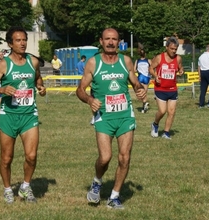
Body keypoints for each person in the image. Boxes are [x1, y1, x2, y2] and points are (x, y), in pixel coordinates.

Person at [76, 28, 146, 209]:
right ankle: (97, 181)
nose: (110, 42)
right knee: (105, 157)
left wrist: (139, 88)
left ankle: (114, 196)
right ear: (101, 41)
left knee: (124, 158)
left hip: (125, 115)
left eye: (114, 39)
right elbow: (80, 90)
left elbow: (135, 81)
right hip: (104, 116)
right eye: (107, 39)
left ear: (119, 42)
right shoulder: (93, 63)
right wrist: (90, 100)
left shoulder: (126, 61)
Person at [0, 26, 46, 204]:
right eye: (18, 40)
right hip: (8, 115)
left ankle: (25, 187)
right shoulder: (4, 64)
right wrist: (2, 89)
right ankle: (7, 189)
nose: (22, 43)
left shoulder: (33, 62)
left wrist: (41, 88)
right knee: (6, 158)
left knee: (31, 156)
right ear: (10, 44)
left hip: (29, 115)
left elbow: (38, 79)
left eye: (24, 40)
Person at [149, 36, 184, 139]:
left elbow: (180, 68)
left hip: (172, 89)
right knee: (162, 111)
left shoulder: (178, 58)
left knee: (172, 111)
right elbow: (151, 68)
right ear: (166, 47)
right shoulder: (159, 57)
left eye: (175, 49)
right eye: (171, 48)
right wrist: (155, 76)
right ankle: (155, 124)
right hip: (160, 88)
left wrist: (181, 71)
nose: (173, 51)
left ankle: (166, 132)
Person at [134, 48, 152, 113]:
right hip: (147, 77)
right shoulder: (148, 60)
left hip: (140, 76)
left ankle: (144, 104)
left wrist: (139, 70)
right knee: (145, 92)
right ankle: (144, 107)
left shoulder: (137, 61)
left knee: (142, 93)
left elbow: (134, 70)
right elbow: (152, 68)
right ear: (145, 54)